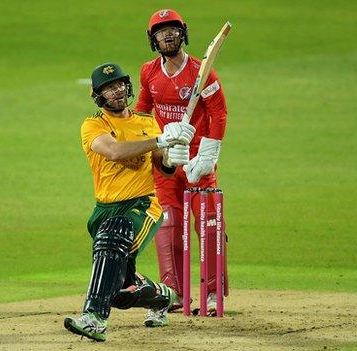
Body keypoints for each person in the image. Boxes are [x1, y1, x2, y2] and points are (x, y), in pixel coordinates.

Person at [64, 62, 196, 342]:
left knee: (114, 236)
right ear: (98, 96)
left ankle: (94, 319)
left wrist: (173, 156)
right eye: (109, 88)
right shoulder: (93, 125)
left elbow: (164, 167)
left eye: (120, 85)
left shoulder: (147, 122)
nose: (117, 91)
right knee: (120, 290)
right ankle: (163, 297)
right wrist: (159, 140)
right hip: (105, 208)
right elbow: (112, 151)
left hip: (143, 205)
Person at [136, 9, 229, 316]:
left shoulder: (202, 73)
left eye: (173, 29)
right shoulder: (148, 72)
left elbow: (219, 112)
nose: (168, 34)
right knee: (168, 224)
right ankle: (173, 292)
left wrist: (208, 153)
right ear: (153, 39)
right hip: (167, 165)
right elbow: (141, 116)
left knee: (209, 224)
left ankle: (213, 293)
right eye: (161, 31)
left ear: (183, 32)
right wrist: (158, 145)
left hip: (197, 164)